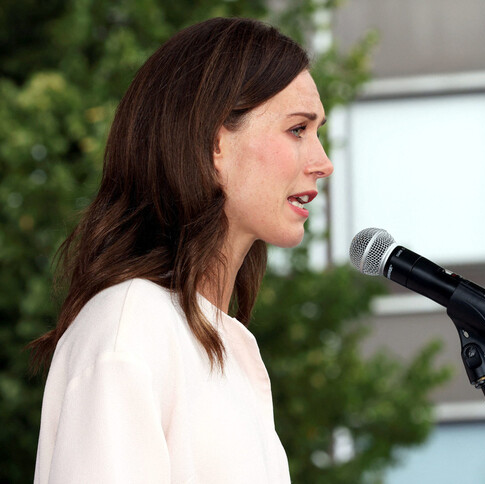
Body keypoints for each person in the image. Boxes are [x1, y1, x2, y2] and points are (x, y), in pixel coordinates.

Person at [29, 17, 333, 483]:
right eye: (297, 129)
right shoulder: (129, 330)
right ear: (214, 144)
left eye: (318, 132)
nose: (323, 162)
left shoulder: (220, 345)